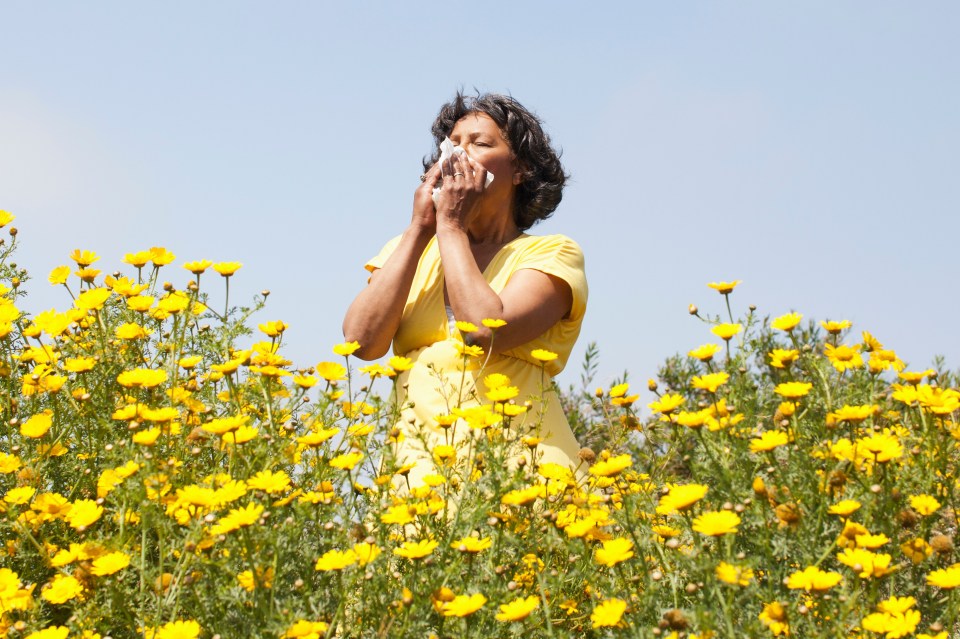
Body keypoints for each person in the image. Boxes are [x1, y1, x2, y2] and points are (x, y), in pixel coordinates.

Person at [342, 92, 587, 488]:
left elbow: (485, 331)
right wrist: (421, 229)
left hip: (521, 476)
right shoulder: (411, 249)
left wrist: (451, 227)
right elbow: (360, 342)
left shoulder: (551, 253)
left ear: (520, 169)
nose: (459, 154)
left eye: (480, 143)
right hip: (417, 479)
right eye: (453, 143)